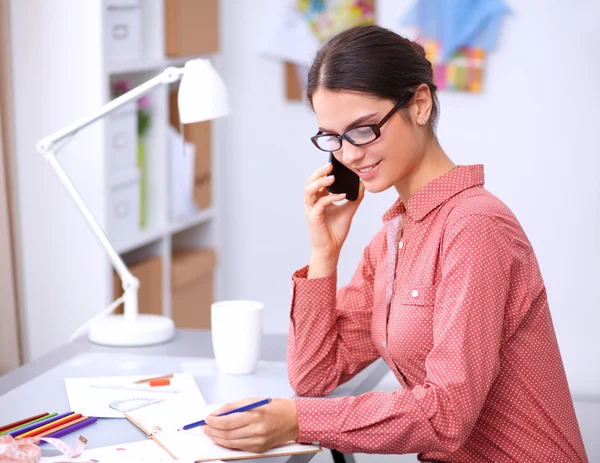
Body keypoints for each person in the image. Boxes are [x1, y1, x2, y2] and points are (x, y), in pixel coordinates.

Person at [201, 25, 588, 462]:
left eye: (364, 130)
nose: (348, 155)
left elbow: (446, 415)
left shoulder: (477, 227)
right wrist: (324, 254)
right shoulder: (393, 240)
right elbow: (314, 375)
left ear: (420, 104)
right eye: (332, 138)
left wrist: (299, 421)